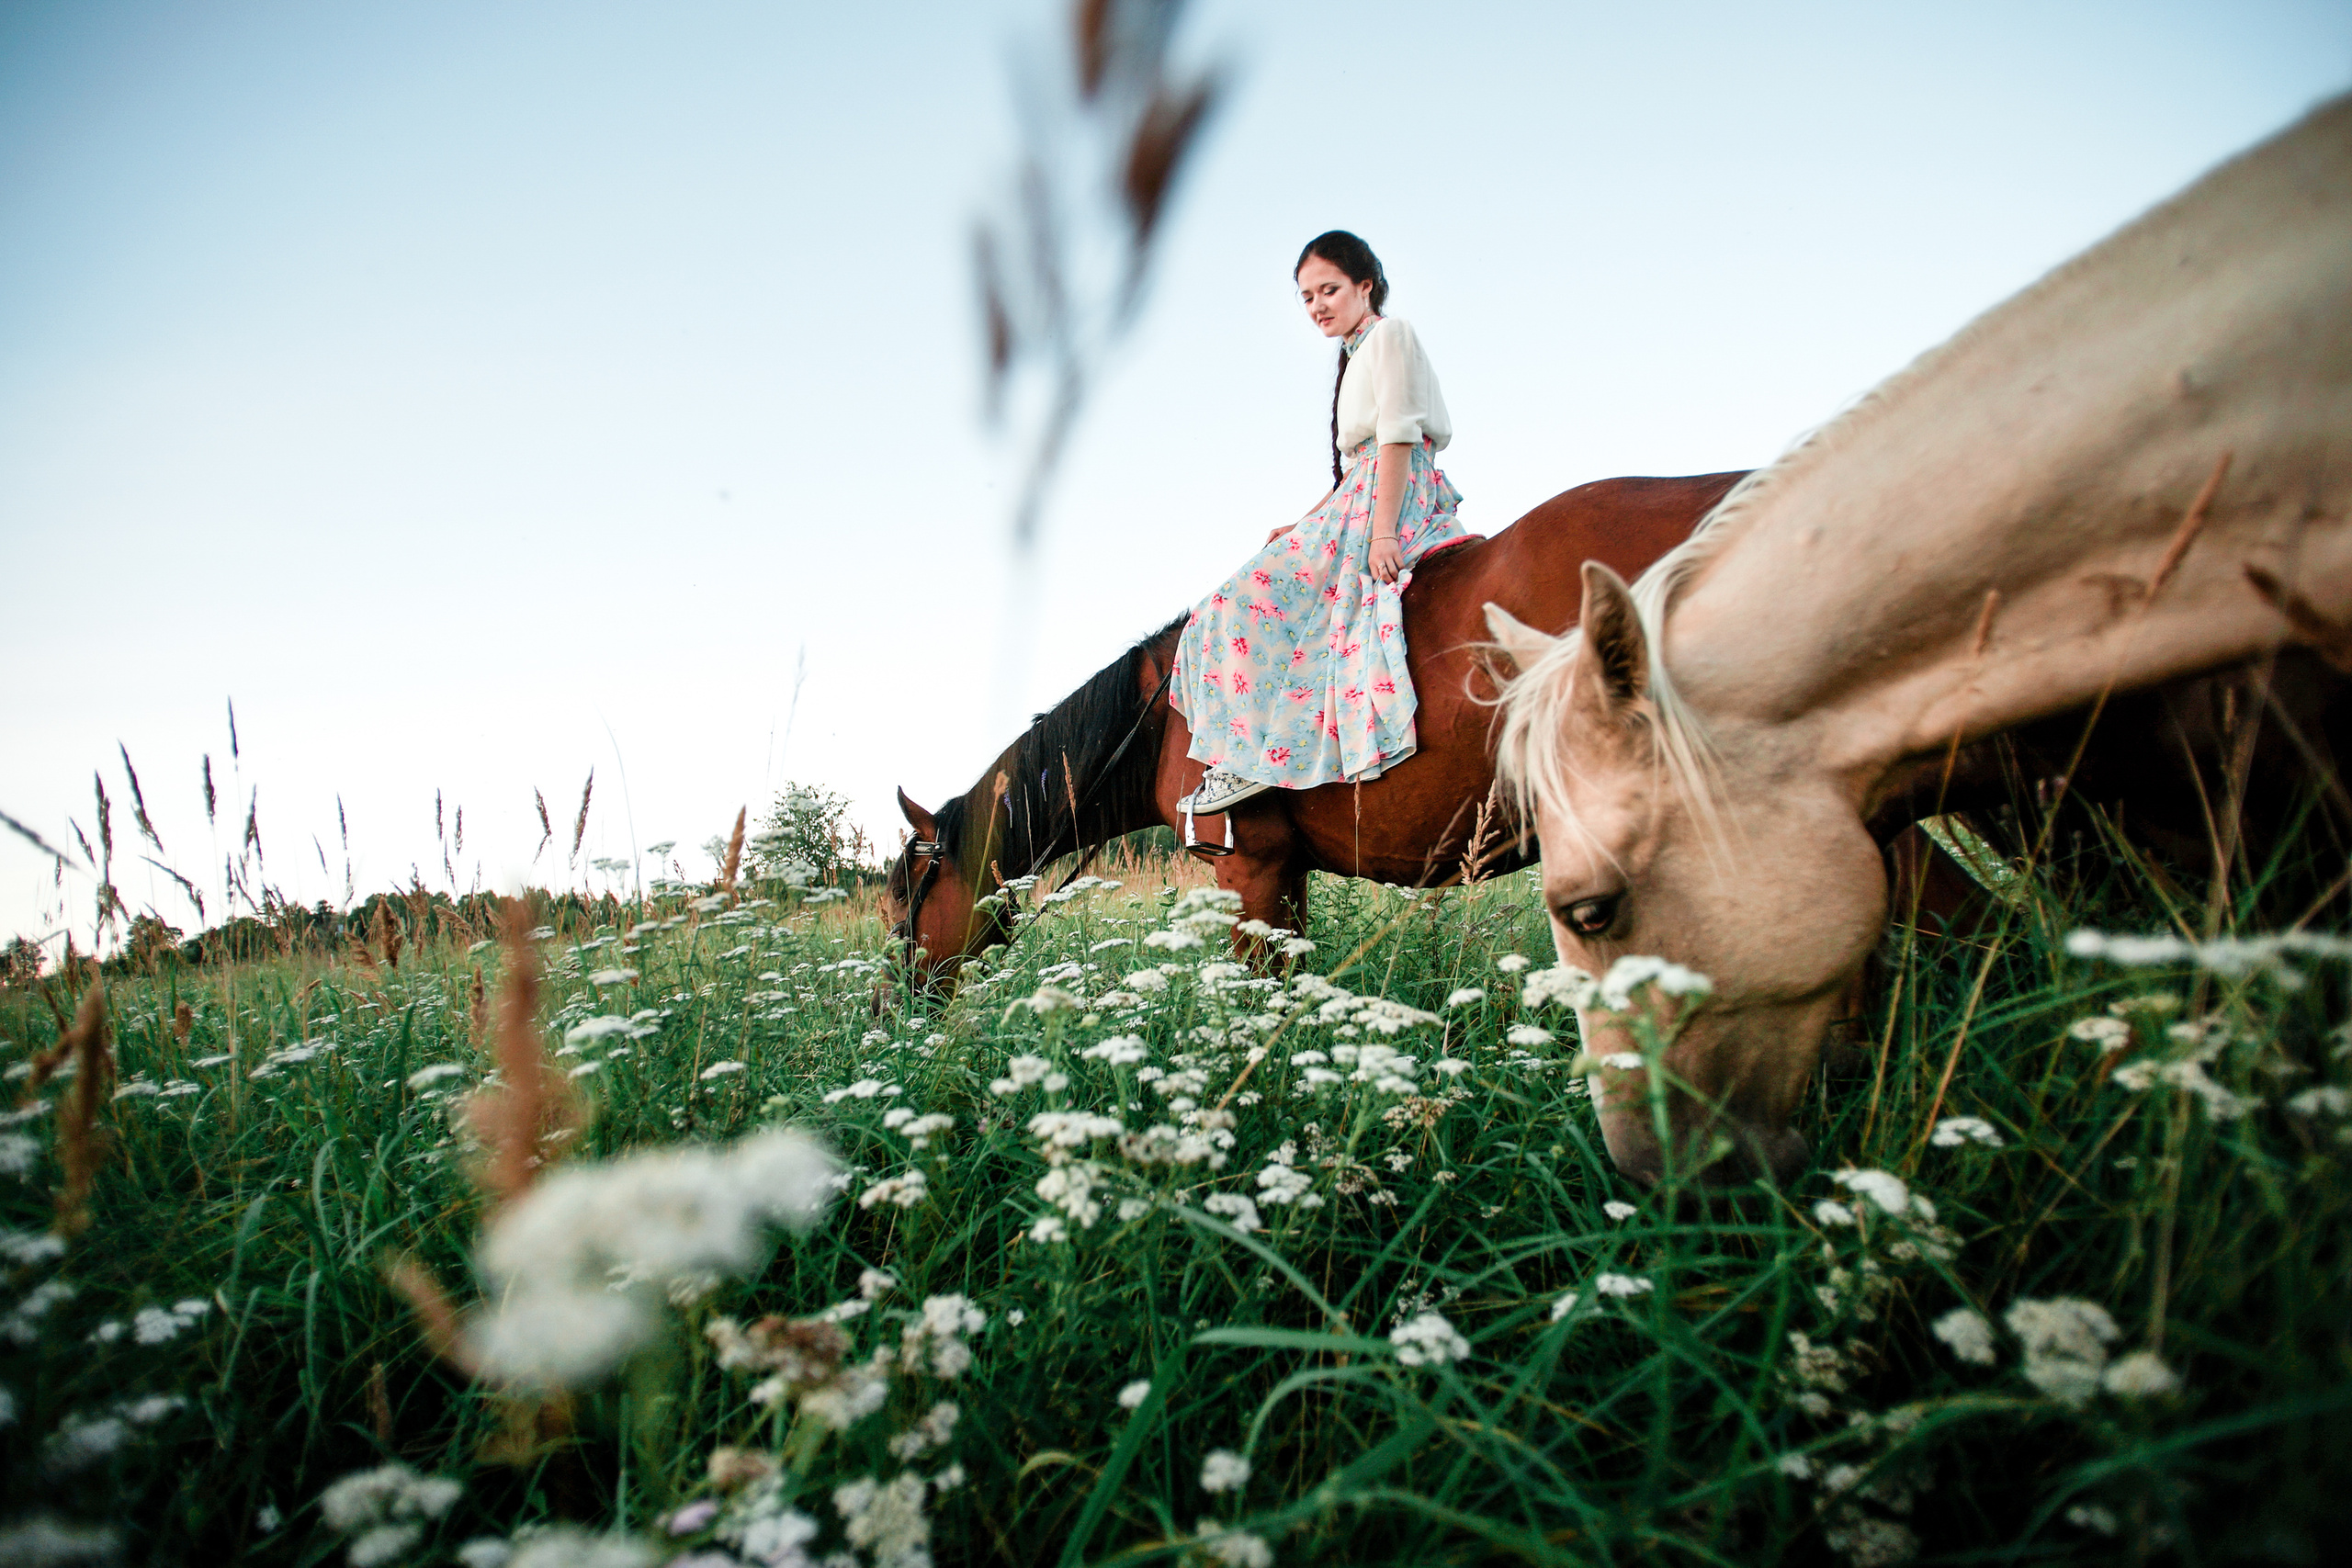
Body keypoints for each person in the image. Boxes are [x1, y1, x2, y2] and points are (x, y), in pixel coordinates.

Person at [1172, 231, 1466, 815]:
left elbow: (1398, 438)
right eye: (1307, 298)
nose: (1317, 307)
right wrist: (1304, 522)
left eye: (1329, 290)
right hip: (1362, 492)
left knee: (1240, 600)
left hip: (1390, 491)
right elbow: (1354, 470)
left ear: (1365, 286)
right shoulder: (1359, 352)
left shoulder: (1390, 335)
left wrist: (1383, 534)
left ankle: (1248, 758)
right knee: (1248, 598)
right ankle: (1259, 747)